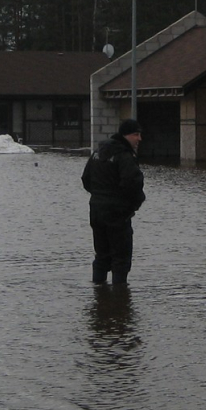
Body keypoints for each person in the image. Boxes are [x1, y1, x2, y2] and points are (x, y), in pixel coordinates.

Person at [81, 118, 145, 285]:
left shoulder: (98, 152)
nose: (139, 139)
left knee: (101, 255)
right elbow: (133, 183)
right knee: (121, 258)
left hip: (96, 211)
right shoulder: (124, 155)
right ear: (125, 135)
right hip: (116, 213)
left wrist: (99, 197)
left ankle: (99, 295)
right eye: (135, 135)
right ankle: (120, 298)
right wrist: (131, 205)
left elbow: (86, 179)